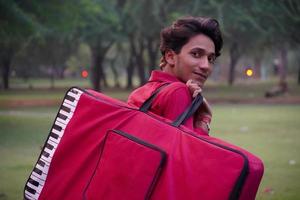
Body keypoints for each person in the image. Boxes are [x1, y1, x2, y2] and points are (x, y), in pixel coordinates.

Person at [127, 16, 223, 135]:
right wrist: (204, 119)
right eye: (196, 54)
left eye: (210, 59)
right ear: (170, 57)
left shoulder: (141, 92)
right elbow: (186, 151)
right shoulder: (178, 91)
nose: (206, 66)